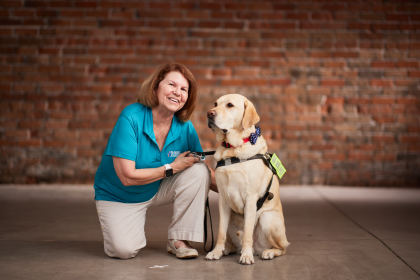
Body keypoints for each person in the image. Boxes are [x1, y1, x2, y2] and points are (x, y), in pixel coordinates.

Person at [93, 62, 216, 260]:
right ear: (156, 85)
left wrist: (245, 191)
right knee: (123, 251)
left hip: (155, 187)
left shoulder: (185, 127)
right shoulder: (131, 117)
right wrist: (172, 167)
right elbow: (127, 177)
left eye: (184, 89)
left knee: (198, 170)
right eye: (172, 85)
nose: (178, 92)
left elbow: (204, 172)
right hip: (119, 194)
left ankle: (179, 239)